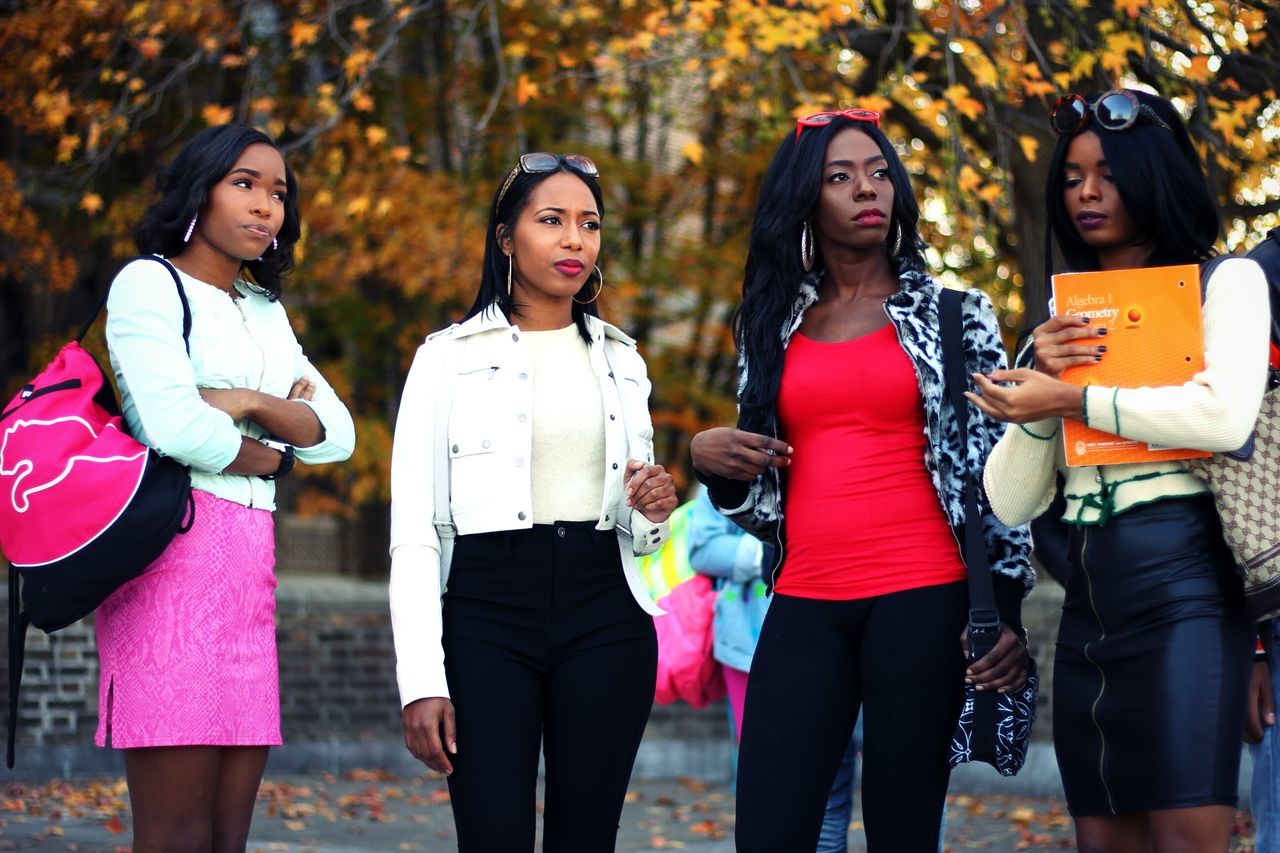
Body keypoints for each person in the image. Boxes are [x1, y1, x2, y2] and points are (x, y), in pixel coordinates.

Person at [689, 109, 1033, 851]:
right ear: (806, 200)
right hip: (807, 594)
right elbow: (761, 500)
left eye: (878, 172)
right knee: (770, 823)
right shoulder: (769, 321)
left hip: (923, 593)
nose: (864, 189)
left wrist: (1001, 603)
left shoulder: (953, 314)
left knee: (902, 827)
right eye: (839, 177)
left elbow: (995, 465)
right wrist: (713, 468)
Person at [972, 89, 1269, 852]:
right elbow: (1007, 500)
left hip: (1189, 591)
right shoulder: (1059, 316)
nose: (1088, 193)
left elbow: (1222, 417)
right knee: (1104, 844)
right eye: (1071, 178)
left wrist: (1073, 393)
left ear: (1156, 173)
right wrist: (1041, 395)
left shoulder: (1226, 282)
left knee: (1186, 838)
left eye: (1107, 172)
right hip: (1087, 607)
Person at [389, 152, 678, 850]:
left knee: (587, 838)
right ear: (506, 237)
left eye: (589, 224)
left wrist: (654, 508)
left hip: (607, 610)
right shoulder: (445, 357)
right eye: (551, 220)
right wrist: (420, 680)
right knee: (493, 836)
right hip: (486, 610)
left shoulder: (623, 358)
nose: (575, 239)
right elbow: (414, 531)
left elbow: (643, 535)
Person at [99, 123, 356, 850]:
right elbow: (178, 429)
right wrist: (278, 454)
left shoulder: (263, 310)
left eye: (278, 191)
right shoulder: (150, 283)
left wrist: (245, 400)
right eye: (245, 183)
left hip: (248, 568)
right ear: (200, 190)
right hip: (170, 560)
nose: (266, 205)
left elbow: (337, 433)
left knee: (226, 836)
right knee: (175, 832)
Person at [688, 484, 860, 851]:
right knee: (773, 780)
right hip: (747, 647)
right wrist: (784, 547)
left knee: (843, 779)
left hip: (853, 635)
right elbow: (702, 549)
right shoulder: (741, 460)